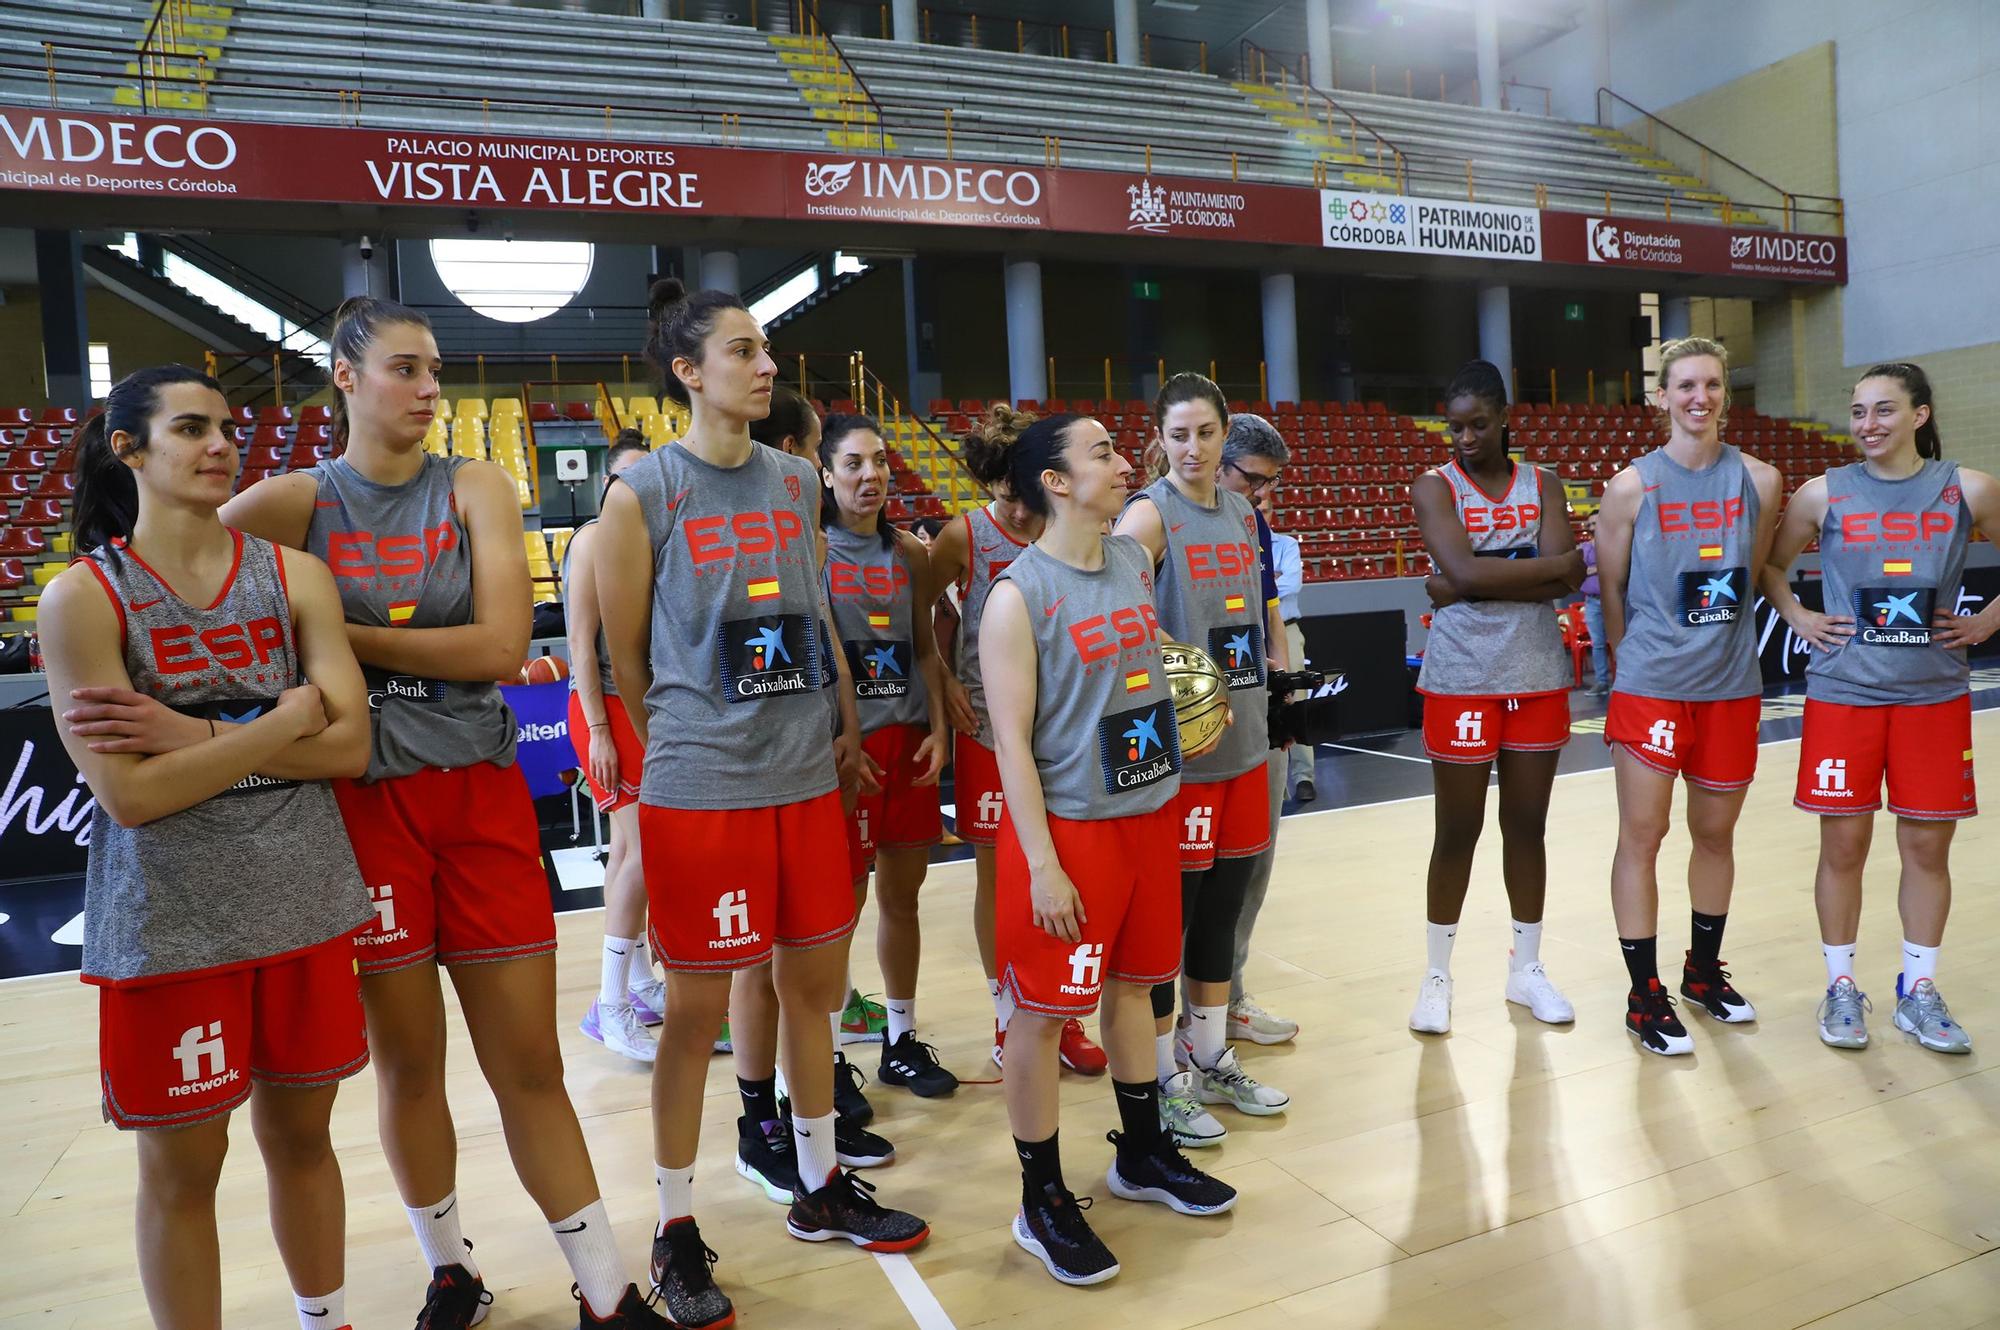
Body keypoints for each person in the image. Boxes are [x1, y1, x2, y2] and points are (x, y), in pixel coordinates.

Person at [224, 299, 667, 1327]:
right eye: (404, 369)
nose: (430, 389)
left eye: (435, 370)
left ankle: (607, 1287)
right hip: (362, 809)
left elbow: (499, 650)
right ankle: (448, 1268)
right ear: (342, 375)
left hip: (478, 800)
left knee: (530, 1064)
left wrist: (333, 631)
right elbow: (179, 564)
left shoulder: (473, 485)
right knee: (409, 1066)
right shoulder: (291, 504)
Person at [596, 280, 929, 1329]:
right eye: (743, 349)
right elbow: (629, 651)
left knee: (812, 992)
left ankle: (820, 1185)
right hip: (705, 787)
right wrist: (695, 748)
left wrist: (833, 718)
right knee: (694, 1015)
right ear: (689, 372)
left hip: (804, 778)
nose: (767, 364)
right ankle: (675, 1227)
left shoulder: (795, 482)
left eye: (768, 348)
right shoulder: (641, 491)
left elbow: (809, 610)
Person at [41, 365, 373, 1330]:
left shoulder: (294, 575)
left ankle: (329, 1322)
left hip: (305, 901)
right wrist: (281, 726)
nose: (223, 444)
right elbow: (133, 797)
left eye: (228, 427)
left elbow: (350, 749)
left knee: (305, 1143)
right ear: (128, 449)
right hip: (171, 924)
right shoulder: (83, 599)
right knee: (184, 1171)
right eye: (191, 428)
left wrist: (188, 733)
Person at [983, 412, 1237, 1286]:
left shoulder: (1132, 561)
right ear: (1056, 482)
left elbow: (1143, 659)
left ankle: (1142, 1153)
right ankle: (1041, 1198)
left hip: (1149, 815)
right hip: (1071, 833)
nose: (1125, 462)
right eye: (1103, 454)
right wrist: (1043, 863)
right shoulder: (1018, 595)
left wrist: (1189, 701)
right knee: (1044, 1017)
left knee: (1136, 987)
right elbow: (1011, 744)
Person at [1758, 362, 1995, 1054]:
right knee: (1844, 846)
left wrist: (1986, 623)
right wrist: (1799, 615)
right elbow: (1770, 566)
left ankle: (1918, 991)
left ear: (1920, 415)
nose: (1867, 425)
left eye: (1884, 411)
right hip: (1845, 694)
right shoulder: (1822, 494)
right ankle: (1840, 986)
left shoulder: (1967, 489)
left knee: (1925, 847)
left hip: (1933, 695)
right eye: (1859, 412)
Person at [1113, 373, 1288, 1148]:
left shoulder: (1245, 511)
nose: (1193, 448)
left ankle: (1208, 1051)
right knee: (1166, 923)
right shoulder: (1147, 517)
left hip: (1244, 741)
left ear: (1225, 436)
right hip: (1183, 758)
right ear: (1159, 438)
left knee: (1223, 908)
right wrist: (1170, 706)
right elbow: (1118, 630)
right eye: (1179, 435)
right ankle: (1161, 1077)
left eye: (1206, 434)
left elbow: (1249, 622)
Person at [1594, 336, 1782, 1057]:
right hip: (1653, 687)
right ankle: (1645, 997)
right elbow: (1610, 588)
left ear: (1725, 394)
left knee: (1715, 836)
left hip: (1731, 686)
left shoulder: (1760, 481)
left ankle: (1702, 973)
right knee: (1643, 837)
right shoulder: (1632, 486)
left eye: (1710, 385)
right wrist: (1633, 662)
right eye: (1684, 387)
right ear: (1661, 397)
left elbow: (1758, 562)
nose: (1698, 398)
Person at [1407, 360, 1585, 1036]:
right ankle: (1436, 977)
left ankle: (1526, 969)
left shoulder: (1545, 482)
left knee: (1527, 826)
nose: (1465, 438)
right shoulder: (1434, 486)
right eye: (1455, 427)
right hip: (1460, 677)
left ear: (1505, 417)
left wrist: (1474, 581)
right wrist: (1487, 574)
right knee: (1457, 831)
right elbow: (1462, 569)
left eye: (1478, 424)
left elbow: (1568, 575)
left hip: (1537, 672)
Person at [930, 405, 1108, 1076]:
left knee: (1071, 870)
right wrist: (940, 677)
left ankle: (1062, 1013)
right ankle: (1009, 1014)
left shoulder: (1076, 531)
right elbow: (924, 616)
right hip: (989, 730)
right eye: (1006, 494)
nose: (1019, 509)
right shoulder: (964, 536)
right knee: (1001, 878)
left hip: (1063, 735)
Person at [818, 414, 958, 1096]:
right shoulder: (810, 551)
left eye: (878, 462)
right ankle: (828, 1051)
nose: (870, 475)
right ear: (825, 474)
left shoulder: (909, 553)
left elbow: (927, 649)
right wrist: (840, 737)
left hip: (907, 745)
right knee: (836, 911)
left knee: (902, 900)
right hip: (846, 752)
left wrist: (940, 729)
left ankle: (899, 1038)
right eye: (852, 463)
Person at [564, 429, 665, 1063]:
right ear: (607, 484)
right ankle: (611, 1004)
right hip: (604, 711)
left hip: (642, 707)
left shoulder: (649, 539)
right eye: (625, 478)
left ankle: (636, 982)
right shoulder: (595, 538)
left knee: (636, 850)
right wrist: (600, 729)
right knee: (641, 852)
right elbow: (579, 646)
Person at [1210, 413, 1302, 1048]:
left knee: (1253, 862)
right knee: (1196, 877)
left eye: (1270, 483)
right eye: (1255, 480)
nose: (1263, 493)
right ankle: (1178, 1014)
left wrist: (1284, 695)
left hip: (1254, 712)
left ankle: (1229, 997)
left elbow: (1268, 608)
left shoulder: (1254, 524)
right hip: (1195, 729)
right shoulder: (1150, 519)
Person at [1265, 491, 1313, 801]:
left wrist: (1263, 582)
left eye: (1266, 508)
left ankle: (1304, 776)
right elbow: (1270, 586)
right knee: (1261, 708)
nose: (1262, 512)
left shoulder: (1286, 545)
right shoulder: (1234, 546)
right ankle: (1275, 785)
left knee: (1296, 700)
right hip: (1253, 633)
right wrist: (1271, 579)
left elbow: (1291, 584)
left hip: (1287, 628)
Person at [1579, 515, 1610, 695]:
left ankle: (1625, 681)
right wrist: (1600, 567)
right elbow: (1579, 571)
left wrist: (1593, 569)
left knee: (1620, 641)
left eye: (1595, 522)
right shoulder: (1584, 548)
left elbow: (1617, 566)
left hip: (1613, 599)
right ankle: (1602, 682)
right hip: (1591, 601)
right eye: (1590, 524)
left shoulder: (1614, 543)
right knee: (1597, 643)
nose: (1592, 526)